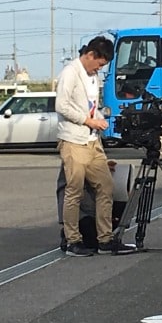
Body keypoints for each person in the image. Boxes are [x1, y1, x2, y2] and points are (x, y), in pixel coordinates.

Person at [56, 36, 136, 256]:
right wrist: (88, 121)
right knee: (74, 190)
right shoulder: (70, 73)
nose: (99, 69)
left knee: (105, 187)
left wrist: (100, 119)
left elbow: (92, 107)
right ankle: (73, 240)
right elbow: (61, 105)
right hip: (73, 140)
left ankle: (105, 239)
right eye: (99, 64)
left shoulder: (93, 77)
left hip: (92, 140)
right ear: (90, 54)